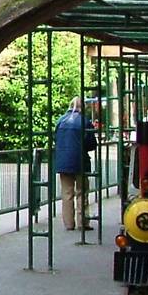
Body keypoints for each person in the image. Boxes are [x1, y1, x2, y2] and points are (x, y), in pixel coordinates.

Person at [54, 98, 94, 232]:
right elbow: (91, 144)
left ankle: (69, 223)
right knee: (82, 192)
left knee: (67, 193)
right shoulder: (85, 121)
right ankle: (82, 222)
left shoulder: (60, 121)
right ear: (83, 107)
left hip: (63, 162)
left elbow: (56, 139)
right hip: (80, 161)